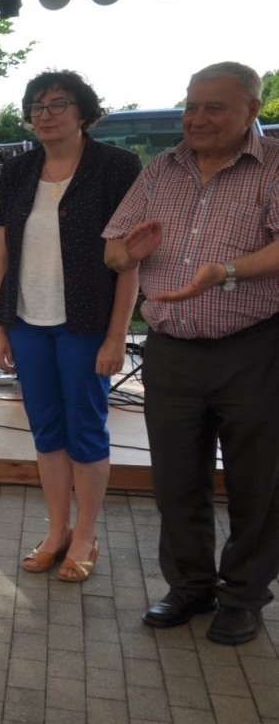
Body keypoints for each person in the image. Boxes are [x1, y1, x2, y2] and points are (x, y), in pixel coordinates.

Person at [103, 61, 279, 646]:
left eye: (215, 107)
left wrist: (226, 273)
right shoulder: (161, 170)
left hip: (254, 348)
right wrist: (128, 253)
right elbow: (113, 254)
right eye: (192, 105)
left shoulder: (273, 165)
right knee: (176, 477)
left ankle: (244, 595)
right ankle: (190, 587)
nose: (197, 118)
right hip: (172, 349)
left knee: (258, 480)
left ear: (251, 110)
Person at [0, 72, 141, 583]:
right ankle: (56, 531)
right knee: (47, 430)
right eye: (36, 105)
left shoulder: (117, 168)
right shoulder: (18, 170)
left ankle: (86, 535)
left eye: (58, 104)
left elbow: (129, 261)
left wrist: (117, 336)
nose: (44, 113)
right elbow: (3, 249)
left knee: (86, 432)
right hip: (27, 321)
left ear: (83, 112)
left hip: (85, 325)